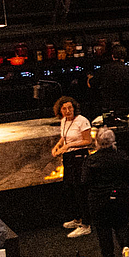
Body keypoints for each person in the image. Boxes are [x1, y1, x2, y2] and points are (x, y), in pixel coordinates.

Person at [85, 127, 129, 257]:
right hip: (119, 195)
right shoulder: (122, 156)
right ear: (113, 141)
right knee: (122, 224)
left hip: (98, 199)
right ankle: (126, 248)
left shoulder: (91, 160)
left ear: (97, 141)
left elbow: (85, 181)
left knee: (103, 229)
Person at [49, 96, 94, 238]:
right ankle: (77, 218)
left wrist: (69, 145)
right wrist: (58, 146)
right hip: (68, 158)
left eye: (70, 108)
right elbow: (65, 136)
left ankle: (86, 224)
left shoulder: (82, 121)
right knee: (70, 189)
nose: (68, 111)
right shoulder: (64, 121)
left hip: (79, 157)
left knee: (80, 190)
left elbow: (88, 141)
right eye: (64, 109)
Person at [89, 46, 129, 116]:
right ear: (125, 56)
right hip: (127, 108)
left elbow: (91, 85)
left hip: (108, 109)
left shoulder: (103, 69)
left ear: (112, 56)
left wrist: (89, 77)